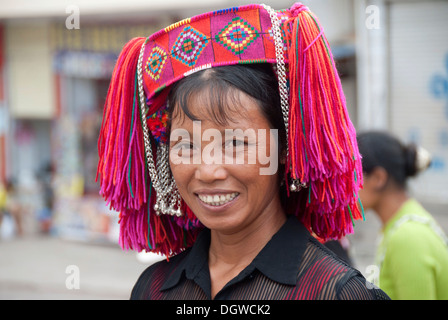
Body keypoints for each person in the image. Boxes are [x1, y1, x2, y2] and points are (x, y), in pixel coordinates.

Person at [97, 3, 389, 300]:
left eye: (235, 144)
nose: (208, 171)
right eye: (186, 145)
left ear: (284, 148)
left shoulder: (338, 292)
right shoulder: (153, 288)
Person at [357, 131, 448, 300]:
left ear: (378, 178)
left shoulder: (408, 236)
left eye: (351, 175)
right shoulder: (397, 227)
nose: (342, 187)